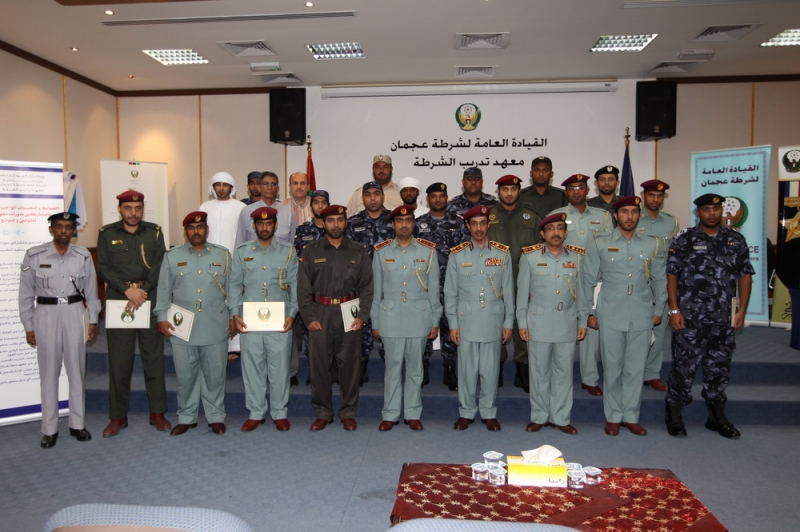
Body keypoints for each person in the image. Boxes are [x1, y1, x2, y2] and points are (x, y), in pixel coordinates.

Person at [665, 193, 754, 439]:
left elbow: (745, 275)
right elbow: (672, 276)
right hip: (690, 318)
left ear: (721, 211)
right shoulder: (685, 239)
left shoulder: (735, 240)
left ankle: (716, 417)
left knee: (719, 369)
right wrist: (674, 310)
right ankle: (674, 414)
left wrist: (741, 310)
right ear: (698, 213)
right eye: (706, 209)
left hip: (723, 319)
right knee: (684, 368)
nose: (712, 213)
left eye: (715, 209)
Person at [581, 196, 666, 437]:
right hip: (610, 313)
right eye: (625, 212)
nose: (630, 216)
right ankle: (613, 416)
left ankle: (631, 416)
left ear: (639, 215)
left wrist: (658, 309)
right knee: (612, 367)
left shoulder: (652, 244)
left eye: (634, 212)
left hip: (641, 312)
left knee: (635, 368)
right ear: (615, 216)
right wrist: (587, 312)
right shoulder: (599, 243)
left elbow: (660, 279)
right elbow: (587, 280)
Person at [19, 212, 101, 449]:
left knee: (77, 371)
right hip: (46, 315)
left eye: (68, 227)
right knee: (49, 374)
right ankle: (49, 429)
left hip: (75, 313)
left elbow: (91, 291)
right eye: (59, 226)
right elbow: (25, 294)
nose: (64, 231)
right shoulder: (34, 255)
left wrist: (93, 320)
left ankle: (78, 424)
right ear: (51, 229)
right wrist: (28, 325)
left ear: (74, 231)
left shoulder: (83, 255)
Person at [96, 190, 170, 437]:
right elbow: (103, 267)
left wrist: (142, 291)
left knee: (154, 359)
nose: (133, 213)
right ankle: (118, 416)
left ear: (143, 209)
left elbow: (160, 265)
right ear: (120, 209)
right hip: (120, 300)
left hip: (148, 298)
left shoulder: (154, 233)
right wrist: (128, 290)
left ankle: (157, 412)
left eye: (138, 208)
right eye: (128, 208)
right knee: (119, 362)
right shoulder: (107, 234)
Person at [155, 211, 232, 436]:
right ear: (185, 231)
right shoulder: (172, 256)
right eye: (191, 228)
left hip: (214, 322)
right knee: (185, 375)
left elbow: (233, 289)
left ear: (207, 229)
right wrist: (161, 317)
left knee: (215, 374)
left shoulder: (223, 254)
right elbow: (163, 289)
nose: (196, 232)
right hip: (182, 324)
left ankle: (215, 415)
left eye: (200, 227)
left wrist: (234, 315)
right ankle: (186, 416)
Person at [298, 205, 373, 431]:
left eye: (340, 220)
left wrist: (362, 316)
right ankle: (323, 412)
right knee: (319, 366)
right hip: (320, 312)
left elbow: (367, 287)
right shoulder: (310, 251)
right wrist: (308, 317)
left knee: (350, 366)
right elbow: (303, 288)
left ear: (346, 222)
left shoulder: (358, 251)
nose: (336, 224)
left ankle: (348, 412)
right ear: (323, 223)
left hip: (349, 312)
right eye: (330, 220)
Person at [444, 205, 514, 432]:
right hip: (467, 321)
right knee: (466, 370)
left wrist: (508, 322)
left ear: (488, 225)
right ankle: (466, 411)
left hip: (493, 320)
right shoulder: (458, 254)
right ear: (467, 226)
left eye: (483, 223)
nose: (479, 228)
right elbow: (450, 293)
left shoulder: (502, 253)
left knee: (490, 370)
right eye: (474, 224)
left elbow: (508, 292)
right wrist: (453, 324)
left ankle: (488, 411)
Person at [517, 212, 588, 435]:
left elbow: (582, 293)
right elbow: (522, 294)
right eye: (550, 229)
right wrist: (522, 322)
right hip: (538, 322)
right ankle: (539, 416)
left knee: (563, 373)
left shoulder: (577, 257)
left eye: (560, 228)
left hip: (567, 321)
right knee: (539, 373)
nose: (556, 232)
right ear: (542, 233)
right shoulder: (529, 257)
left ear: (566, 233)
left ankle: (561, 417)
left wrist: (583, 320)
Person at [229, 207, 299, 432]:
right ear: (254, 226)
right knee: (252, 369)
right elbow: (234, 285)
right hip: (250, 321)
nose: (265, 227)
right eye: (260, 223)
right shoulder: (242, 252)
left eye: (269, 223)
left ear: (275, 225)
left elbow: (295, 286)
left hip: (280, 320)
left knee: (280, 369)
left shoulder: (288, 252)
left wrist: (292, 314)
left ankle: (279, 412)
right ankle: (256, 412)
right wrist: (235, 314)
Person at [372, 205, 441, 431]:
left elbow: (434, 290)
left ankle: (412, 412)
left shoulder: (428, 251)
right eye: (400, 221)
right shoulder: (381, 252)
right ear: (393, 225)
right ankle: (390, 414)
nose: (404, 225)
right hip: (390, 317)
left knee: (415, 369)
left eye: (408, 220)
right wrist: (375, 320)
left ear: (414, 223)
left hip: (418, 317)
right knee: (392, 368)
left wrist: (435, 320)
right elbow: (376, 292)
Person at [547, 173, 611, 397]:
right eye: (572, 188)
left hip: (594, 281)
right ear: (566, 192)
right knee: (558, 328)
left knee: (589, 330)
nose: (576, 191)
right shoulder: (556, 216)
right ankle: (556, 376)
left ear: (587, 190)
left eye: (580, 187)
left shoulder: (603, 217)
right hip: (564, 280)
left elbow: (609, 247)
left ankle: (589, 378)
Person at [486, 174, 542, 392]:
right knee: (495, 324)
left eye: (513, 189)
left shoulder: (531, 217)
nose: (509, 193)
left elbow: (539, 250)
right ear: (498, 191)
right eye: (505, 189)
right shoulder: (488, 216)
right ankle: (496, 370)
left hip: (523, 278)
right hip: (494, 280)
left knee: (523, 324)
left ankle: (523, 370)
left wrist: (536, 282)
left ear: (519, 191)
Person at [416, 183, 468, 391]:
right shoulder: (418, 224)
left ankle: (450, 368)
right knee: (424, 326)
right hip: (425, 285)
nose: (438, 199)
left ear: (447, 198)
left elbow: (466, 252)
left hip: (451, 283)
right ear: (427, 199)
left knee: (450, 325)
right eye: (434, 196)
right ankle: (423, 367)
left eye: (441, 196)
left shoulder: (459, 223)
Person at [346, 181, 393, 385]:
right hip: (360, 284)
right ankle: (360, 366)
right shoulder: (353, 223)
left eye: (376, 193)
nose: (372, 198)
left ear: (383, 196)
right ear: (362, 198)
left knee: (389, 328)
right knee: (360, 328)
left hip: (389, 284)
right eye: (368, 194)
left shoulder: (394, 220)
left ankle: (392, 368)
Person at [638, 179, 680, 392]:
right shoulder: (632, 217)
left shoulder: (671, 222)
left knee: (659, 328)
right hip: (637, 281)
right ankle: (632, 372)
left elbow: (674, 255)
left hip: (661, 282)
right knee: (635, 330)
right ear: (643, 196)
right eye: (651, 195)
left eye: (659, 196)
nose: (655, 199)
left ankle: (651, 374)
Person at [199, 171, 245, 360]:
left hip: (233, 260)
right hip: (209, 261)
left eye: (225, 185)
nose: (221, 188)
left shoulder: (241, 207)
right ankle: (213, 341)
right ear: (213, 187)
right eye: (217, 184)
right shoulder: (205, 207)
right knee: (212, 301)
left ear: (231, 187)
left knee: (233, 301)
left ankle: (234, 345)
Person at [291, 189, 330, 386]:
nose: (320, 206)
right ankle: (314, 372)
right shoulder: (303, 230)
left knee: (332, 334)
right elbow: (298, 261)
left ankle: (330, 372)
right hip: (311, 290)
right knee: (311, 335)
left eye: (324, 202)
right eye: (316, 202)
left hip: (333, 289)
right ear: (311, 205)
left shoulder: (335, 228)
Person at [236, 171, 297, 247]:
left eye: (273, 184)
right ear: (259, 187)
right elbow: (240, 244)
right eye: (265, 184)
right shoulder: (246, 212)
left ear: (277, 189)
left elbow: (292, 244)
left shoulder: (288, 212)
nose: (269, 187)